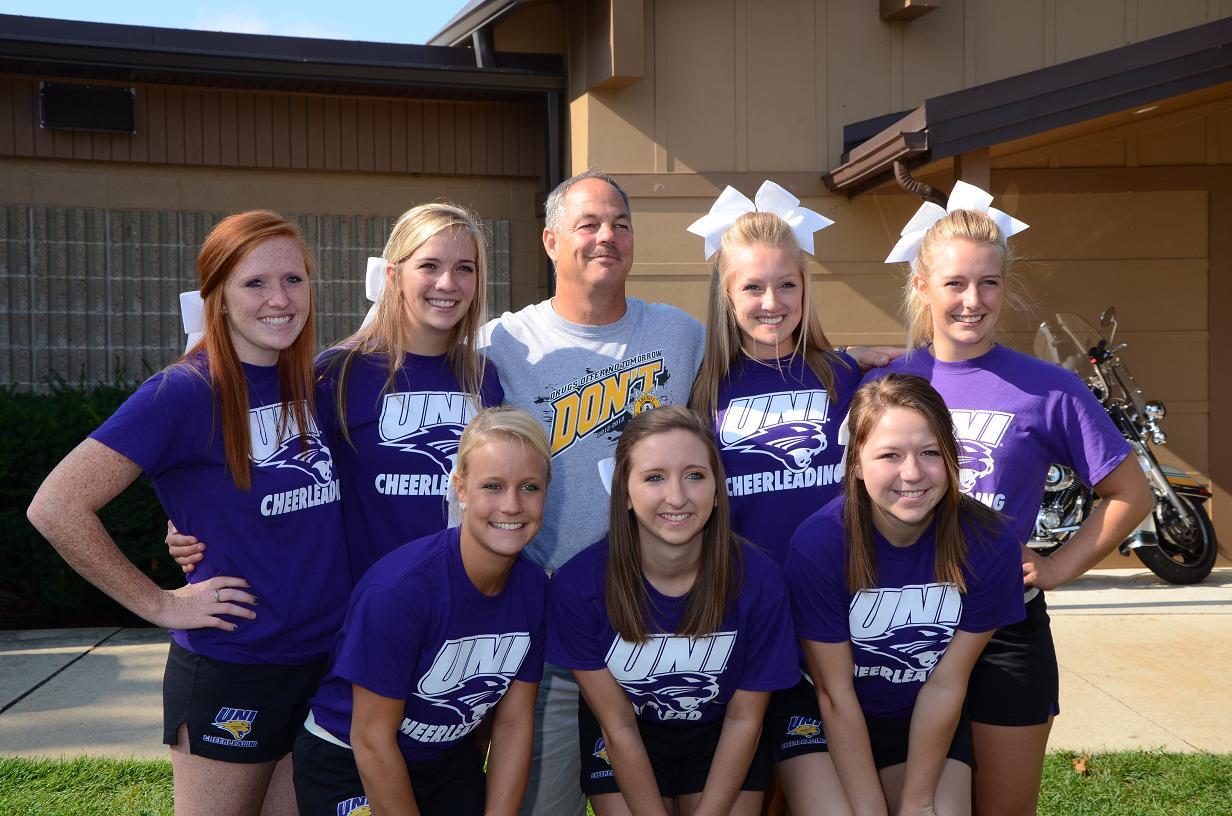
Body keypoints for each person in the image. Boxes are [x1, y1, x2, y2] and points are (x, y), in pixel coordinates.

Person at [27, 210, 351, 816]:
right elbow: (56, 505)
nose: (279, 298)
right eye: (255, 283)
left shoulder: (315, 384)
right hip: (235, 666)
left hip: (323, 662)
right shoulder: (181, 392)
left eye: (294, 279)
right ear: (218, 298)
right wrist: (159, 602)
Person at [874, 182, 1152, 815]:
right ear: (922, 286)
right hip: (902, 629)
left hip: (1004, 632)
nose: (973, 301)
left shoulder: (1047, 389)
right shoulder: (889, 381)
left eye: (989, 283)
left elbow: (1128, 493)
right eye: (954, 284)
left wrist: (1056, 567)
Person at [480, 169, 706, 815]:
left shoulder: (682, 335)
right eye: (588, 224)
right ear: (551, 241)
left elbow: (761, 368)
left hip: (656, 623)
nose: (607, 236)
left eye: (621, 223)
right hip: (548, 622)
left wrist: (853, 355)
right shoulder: (504, 342)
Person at [686, 181, 897, 811]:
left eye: (786, 285)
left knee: (822, 774)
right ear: (726, 297)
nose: (771, 301)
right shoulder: (704, 391)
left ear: (806, 290)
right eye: (751, 287)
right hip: (746, 610)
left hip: (837, 608)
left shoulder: (845, 376)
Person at [170, 202, 504, 582]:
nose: (448, 283)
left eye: (465, 268)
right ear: (393, 276)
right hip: (369, 607)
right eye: (429, 265)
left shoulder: (484, 377)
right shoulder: (336, 374)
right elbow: (266, 469)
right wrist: (185, 519)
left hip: (463, 600)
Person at [785, 373, 1026, 815]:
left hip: (920, 714)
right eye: (890, 455)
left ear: (952, 458)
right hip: (826, 716)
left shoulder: (990, 542)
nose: (912, 473)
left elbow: (947, 682)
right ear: (855, 463)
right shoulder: (820, 543)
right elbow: (834, 693)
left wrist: (917, 802)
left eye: (930, 453)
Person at [291, 406, 549, 816]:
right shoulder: (399, 593)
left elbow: (513, 724)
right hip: (349, 759)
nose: (512, 505)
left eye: (530, 487)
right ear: (460, 489)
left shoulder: (534, 590)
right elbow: (372, 740)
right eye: (493, 486)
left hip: (444, 761)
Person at [547, 406, 798, 816]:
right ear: (624, 492)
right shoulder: (579, 585)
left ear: (718, 489)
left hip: (722, 735)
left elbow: (744, 720)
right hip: (631, 735)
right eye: (654, 478)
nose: (677, 497)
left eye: (695, 475)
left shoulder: (760, 580)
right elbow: (618, 725)